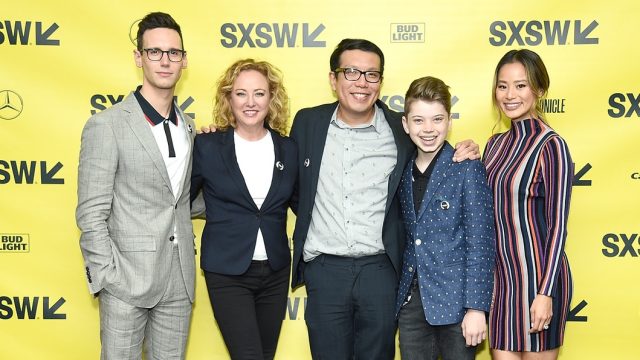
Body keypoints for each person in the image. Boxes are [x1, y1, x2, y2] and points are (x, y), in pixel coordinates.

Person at [289, 38, 480, 359]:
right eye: (351, 72)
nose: (362, 83)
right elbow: (292, 186)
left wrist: (466, 147)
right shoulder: (308, 123)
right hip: (325, 270)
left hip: (381, 271)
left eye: (371, 75)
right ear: (333, 79)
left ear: (380, 81)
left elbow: (431, 145)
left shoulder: (399, 128)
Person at [76, 12, 195, 359]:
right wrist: (107, 277)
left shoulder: (189, 127)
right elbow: (91, 212)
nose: (164, 60)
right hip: (125, 280)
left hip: (178, 280)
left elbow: (181, 199)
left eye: (173, 53)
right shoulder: (107, 125)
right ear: (138, 57)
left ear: (184, 61)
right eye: (154, 51)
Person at [190, 59, 298, 360]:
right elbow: (183, 198)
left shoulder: (289, 149)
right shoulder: (208, 146)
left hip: (275, 271)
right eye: (241, 93)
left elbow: (301, 203)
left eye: (259, 93)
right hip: (227, 271)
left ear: (271, 98)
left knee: (265, 354)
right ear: (228, 98)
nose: (250, 102)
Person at [394, 76, 495, 359]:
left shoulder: (467, 168)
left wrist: (476, 308)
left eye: (437, 119)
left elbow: (482, 243)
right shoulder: (401, 172)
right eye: (419, 120)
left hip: (457, 306)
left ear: (450, 122)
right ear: (405, 124)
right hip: (412, 305)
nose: (428, 129)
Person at [483, 49, 573, 360]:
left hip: (539, 282)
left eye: (521, 85)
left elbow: (559, 224)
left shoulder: (552, 145)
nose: (509, 95)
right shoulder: (494, 145)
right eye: (502, 85)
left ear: (539, 90)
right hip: (502, 284)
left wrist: (545, 293)